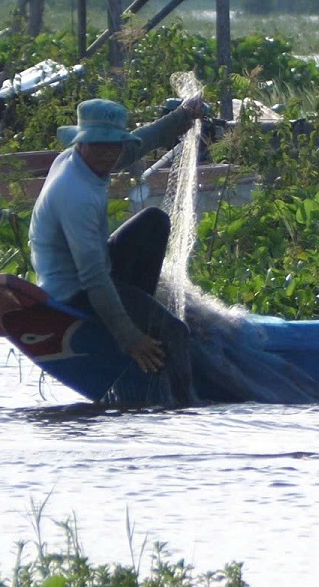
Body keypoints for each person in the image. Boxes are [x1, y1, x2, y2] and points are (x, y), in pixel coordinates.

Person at [29, 95, 206, 385]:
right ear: (82, 143)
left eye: (114, 144)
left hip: (96, 269)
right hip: (73, 291)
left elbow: (138, 145)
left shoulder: (84, 158)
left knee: (154, 222)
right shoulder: (75, 194)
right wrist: (130, 337)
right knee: (175, 333)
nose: (109, 153)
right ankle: (180, 402)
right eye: (100, 145)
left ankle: (137, 305)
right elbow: (94, 278)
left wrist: (181, 116)